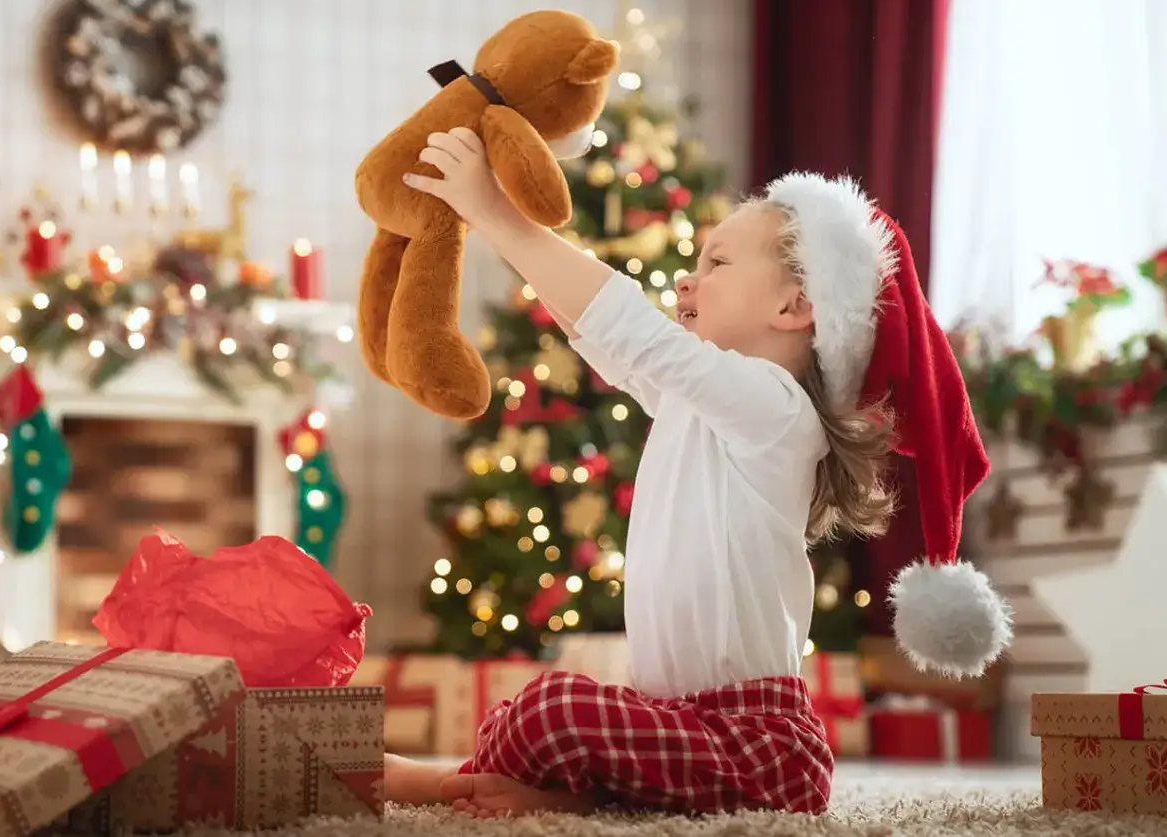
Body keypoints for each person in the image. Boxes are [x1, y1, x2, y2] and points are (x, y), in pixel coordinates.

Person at [381, 128, 1013, 818]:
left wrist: (498, 212)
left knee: (552, 708)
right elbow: (606, 339)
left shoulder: (775, 408)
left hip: (759, 745)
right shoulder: (700, 402)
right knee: (549, 702)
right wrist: (494, 223)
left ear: (793, 307)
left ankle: (452, 786)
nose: (688, 278)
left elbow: (633, 332)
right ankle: (562, 796)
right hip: (680, 722)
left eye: (715, 263)